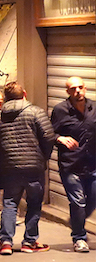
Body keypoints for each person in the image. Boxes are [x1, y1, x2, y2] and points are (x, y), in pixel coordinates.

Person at [0, 81, 68, 255]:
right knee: (34, 203)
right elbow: (49, 137)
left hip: (10, 167)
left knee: (10, 203)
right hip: (33, 168)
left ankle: (5, 242)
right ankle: (29, 242)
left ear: (6, 98)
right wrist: (43, 157)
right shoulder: (35, 112)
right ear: (24, 93)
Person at [50, 76, 94, 253]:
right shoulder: (60, 110)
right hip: (71, 165)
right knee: (78, 203)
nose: (78, 91)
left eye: (80, 87)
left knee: (92, 199)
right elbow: (48, 133)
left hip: (93, 163)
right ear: (68, 91)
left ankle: (77, 221)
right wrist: (59, 138)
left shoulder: (94, 107)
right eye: (73, 88)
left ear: (85, 88)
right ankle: (79, 237)